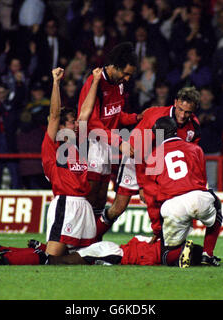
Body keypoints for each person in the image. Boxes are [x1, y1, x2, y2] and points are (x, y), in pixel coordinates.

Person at [96, 87, 202, 242]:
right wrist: (142, 186)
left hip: (161, 168)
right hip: (136, 161)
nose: (182, 115)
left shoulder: (194, 127)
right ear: (175, 102)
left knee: (165, 207)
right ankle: (93, 238)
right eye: (180, 109)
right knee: (118, 208)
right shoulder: (156, 117)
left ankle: (160, 244)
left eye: (187, 112)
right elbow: (137, 151)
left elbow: (189, 154)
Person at [40, 66, 103, 256]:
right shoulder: (53, 146)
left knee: (82, 259)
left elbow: (86, 112)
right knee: (52, 256)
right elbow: (54, 115)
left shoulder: (79, 145)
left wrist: (96, 81)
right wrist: (56, 83)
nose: (76, 124)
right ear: (61, 127)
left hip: (84, 207)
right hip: (65, 204)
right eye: (71, 122)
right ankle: (4, 254)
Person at [143, 116, 222, 266]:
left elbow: (151, 196)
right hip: (198, 197)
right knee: (216, 205)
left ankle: (184, 251)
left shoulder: (153, 156)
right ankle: (207, 254)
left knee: (166, 256)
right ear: (175, 130)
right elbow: (202, 181)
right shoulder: (195, 148)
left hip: (172, 205)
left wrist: (157, 229)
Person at [76, 42, 141, 222]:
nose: (127, 79)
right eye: (125, 73)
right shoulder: (94, 82)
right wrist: (119, 143)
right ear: (115, 67)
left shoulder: (119, 84)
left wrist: (137, 118)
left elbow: (117, 116)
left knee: (101, 197)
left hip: (106, 144)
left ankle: (94, 239)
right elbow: (90, 122)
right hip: (89, 143)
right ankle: (79, 238)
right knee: (89, 195)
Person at [0, 234, 206, 268]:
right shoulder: (162, 253)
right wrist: (199, 256)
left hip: (109, 249)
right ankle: (2, 259)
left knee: (55, 256)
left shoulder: (156, 238)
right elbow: (172, 258)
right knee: (55, 262)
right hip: (111, 254)